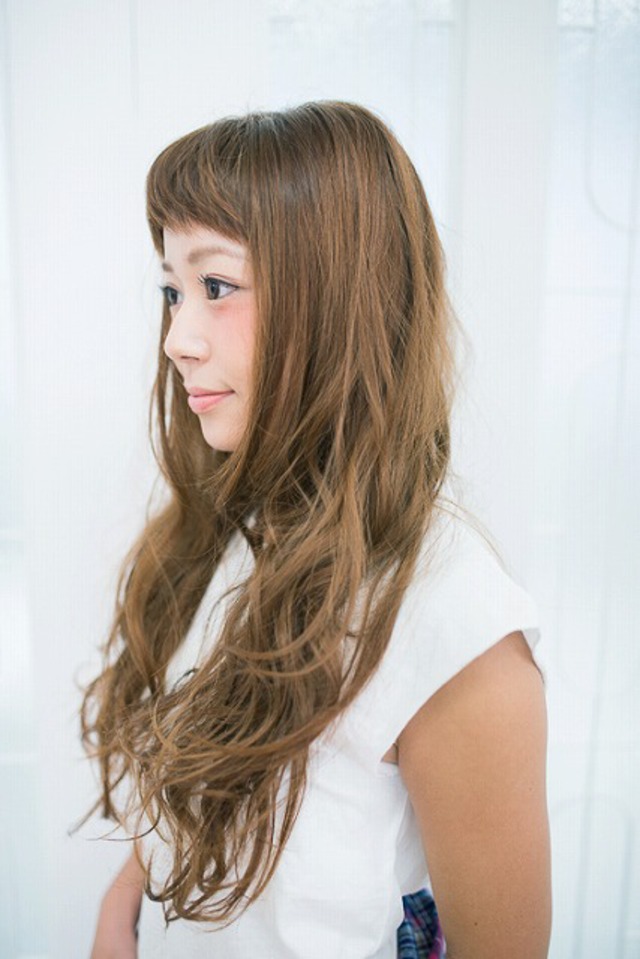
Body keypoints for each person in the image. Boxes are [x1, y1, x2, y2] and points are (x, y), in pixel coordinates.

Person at [77, 100, 551, 959]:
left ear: (336, 297)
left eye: (216, 286)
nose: (177, 338)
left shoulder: (457, 628)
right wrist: (125, 901)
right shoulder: (240, 522)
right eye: (172, 290)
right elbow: (205, 770)